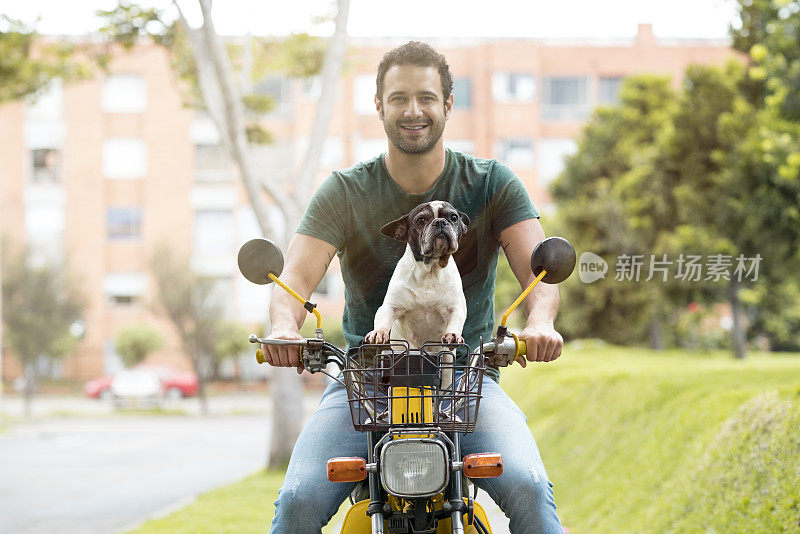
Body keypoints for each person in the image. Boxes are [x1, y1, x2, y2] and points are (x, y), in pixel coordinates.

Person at [263, 41, 564, 533]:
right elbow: (294, 277)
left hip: (464, 381)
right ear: (379, 106)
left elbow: (539, 271)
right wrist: (283, 328)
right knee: (297, 501)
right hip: (365, 384)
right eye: (398, 97)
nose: (413, 110)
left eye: (426, 97)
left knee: (530, 487)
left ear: (447, 104)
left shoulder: (493, 183)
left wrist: (541, 323)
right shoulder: (344, 190)